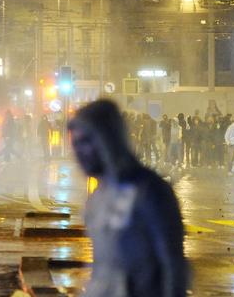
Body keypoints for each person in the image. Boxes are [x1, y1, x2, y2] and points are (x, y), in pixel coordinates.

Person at [68, 100, 188, 297]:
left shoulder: (150, 191)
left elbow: (173, 265)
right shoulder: (97, 198)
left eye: (85, 142)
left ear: (108, 138)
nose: (78, 152)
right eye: (75, 144)